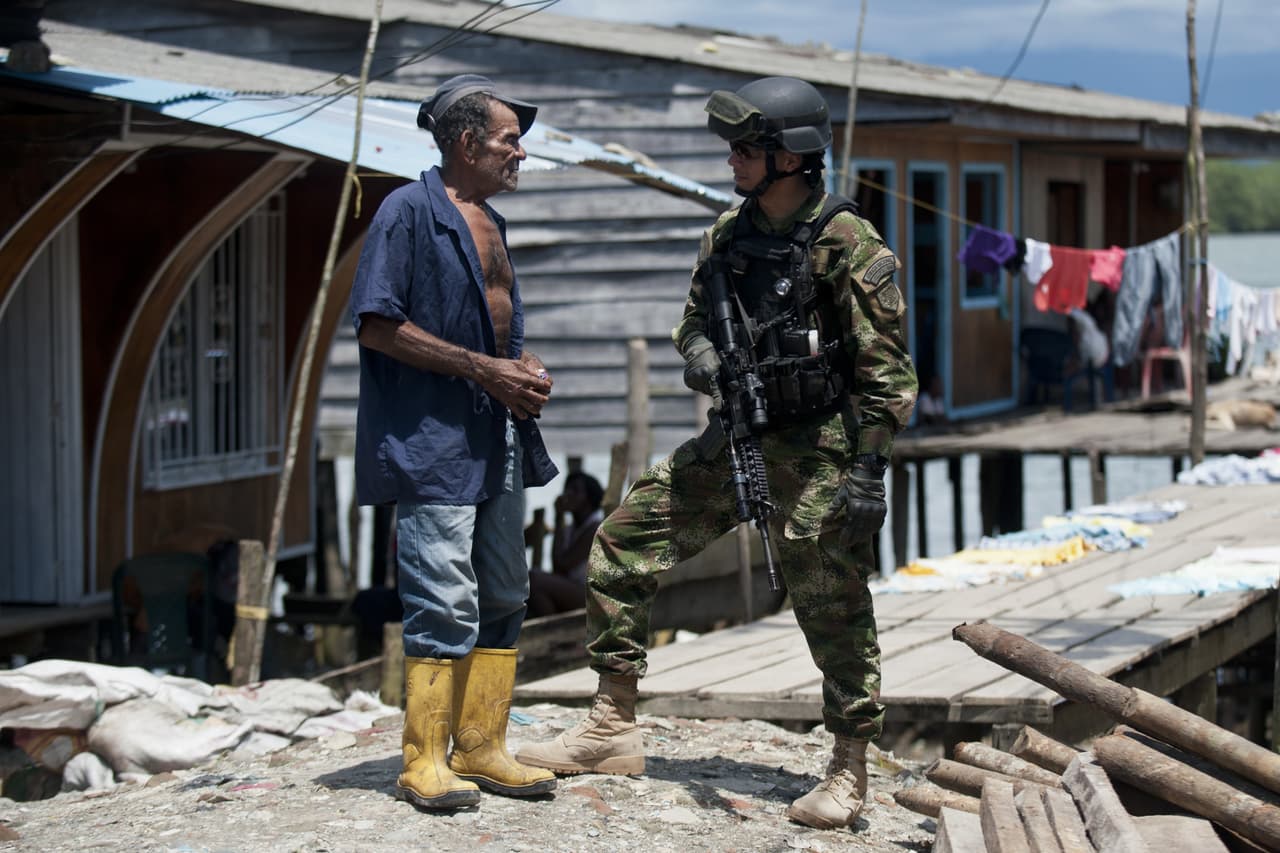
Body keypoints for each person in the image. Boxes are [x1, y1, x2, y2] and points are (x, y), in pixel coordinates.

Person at [516, 76, 918, 831]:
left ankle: (850, 762)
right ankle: (611, 722)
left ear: (791, 157)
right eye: (732, 148)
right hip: (739, 436)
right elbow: (692, 321)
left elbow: (887, 372)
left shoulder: (847, 242)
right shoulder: (726, 236)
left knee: (829, 594)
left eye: (745, 149)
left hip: (821, 446)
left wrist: (868, 469)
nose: (731, 160)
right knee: (624, 538)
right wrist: (702, 353)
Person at [349, 74, 560, 811]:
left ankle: (480, 744)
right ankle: (423, 760)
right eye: (509, 140)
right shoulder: (406, 212)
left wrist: (523, 369)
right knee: (444, 596)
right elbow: (377, 324)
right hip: (431, 439)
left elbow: (500, 328)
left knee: (504, 589)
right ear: (467, 142)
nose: (520, 154)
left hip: (495, 430)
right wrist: (483, 368)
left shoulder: (490, 221)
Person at [527, 471, 606, 617]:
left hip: (595, 598)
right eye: (567, 489)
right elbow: (557, 568)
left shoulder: (596, 528)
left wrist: (558, 517)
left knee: (534, 579)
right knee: (537, 596)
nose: (567, 494)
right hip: (576, 590)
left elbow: (562, 565)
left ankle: (554, 633)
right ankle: (558, 634)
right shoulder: (571, 529)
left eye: (575, 490)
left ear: (588, 498)